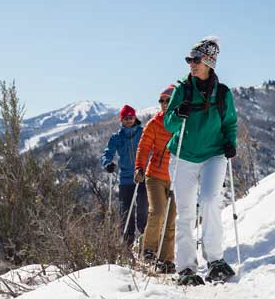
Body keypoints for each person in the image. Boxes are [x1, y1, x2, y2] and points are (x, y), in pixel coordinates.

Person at [164, 36, 238, 285]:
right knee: (184, 212)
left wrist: (231, 143)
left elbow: (230, 123)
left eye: (195, 60)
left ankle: (215, 259)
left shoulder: (223, 93)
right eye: (189, 60)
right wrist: (177, 113)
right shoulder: (181, 91)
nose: (191, 64)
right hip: (183, 155)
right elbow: (169, 124)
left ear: (209, 62)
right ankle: (186, 268)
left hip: (214, 155)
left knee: (209, 200)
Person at [134, 85, 176, 274]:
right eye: (162, 101)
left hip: (176, 177)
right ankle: (149, 250)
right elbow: (143, 147)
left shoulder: (183, 123)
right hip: (155, 176)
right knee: (158, 212)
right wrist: (139, 168)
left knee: (170, 220)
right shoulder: (154, 123)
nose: (164, 104)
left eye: (168, 100)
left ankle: (166, 260)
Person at [100, 105, 148, 247]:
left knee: (143, 208)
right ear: (122, 119)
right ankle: (127, 243)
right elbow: (107, 153)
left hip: (141, 176)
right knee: (126, 212)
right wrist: (107, 163)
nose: (129, 120)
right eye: (126, 118)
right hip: (126, 178)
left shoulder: (143, 132)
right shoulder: (117, 137)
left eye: (131, 117)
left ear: (135, 117)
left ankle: (146, 240)